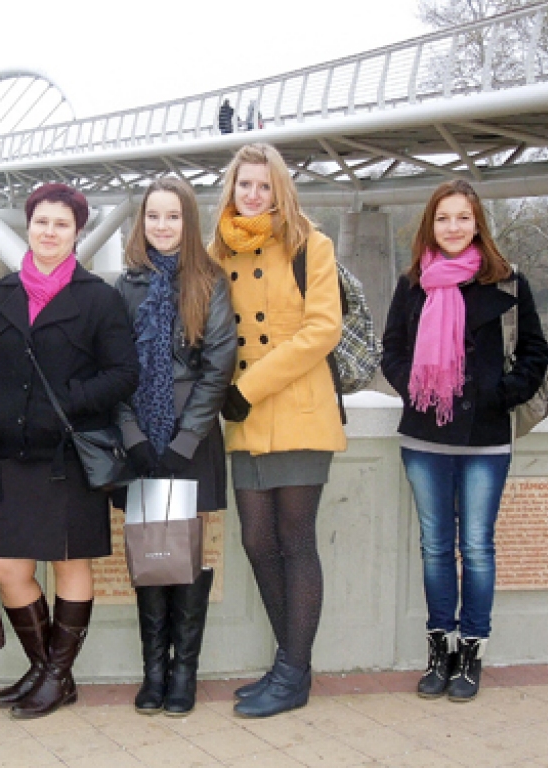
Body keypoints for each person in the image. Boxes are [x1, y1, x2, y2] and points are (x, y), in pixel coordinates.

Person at [0, 183, 138, 719]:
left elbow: (123, 373)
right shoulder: (2, 294)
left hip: (68, 457)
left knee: (69, 566)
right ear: (28, 226)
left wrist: (66, 403)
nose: (49, 232)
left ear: (77, 232)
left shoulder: (99, 298)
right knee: (8, 568)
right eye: (41, 222)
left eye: (61, 224)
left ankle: (53, 676)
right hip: (13, 452)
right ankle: (49, 673)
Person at [381, 180, 548, 702]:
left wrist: (503, 393)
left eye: (463, 218)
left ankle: (472, 652)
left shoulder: (508, 283)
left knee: (476, 547)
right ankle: (440, 650)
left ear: (478, 224)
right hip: (426, 437)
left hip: (485, 438)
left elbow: (534, 352)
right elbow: (390, 349)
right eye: (443, 218)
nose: (453, 227)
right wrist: (417, 385)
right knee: (436, 547)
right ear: (429, 224)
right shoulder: (414, 283)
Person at [211, 143, 346, 718]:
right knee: (256, 542)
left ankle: (292, 673)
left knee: (295, 542)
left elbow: (323, 329)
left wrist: (247, 388)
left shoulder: (310, 244)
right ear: (232, 190)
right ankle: (289, 663)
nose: (254, 194)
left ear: (280, 189)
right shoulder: (218, 249)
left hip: (296, 409)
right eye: (245, 185)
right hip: (244, 417)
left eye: (264, 186)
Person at [114, 177, 235, 716]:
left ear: (189, 222)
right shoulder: (125, 286)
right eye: (153, 216)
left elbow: (219, 367)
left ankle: (184, 671)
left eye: (173, 216)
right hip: (140, 439)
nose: (161, 226)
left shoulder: (210, 281)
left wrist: (186, 437)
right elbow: (113, 370)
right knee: (150, 554)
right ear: (141, 223)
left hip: (192, 438)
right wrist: (136, 439)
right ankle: (154, 672)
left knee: (186, 554)